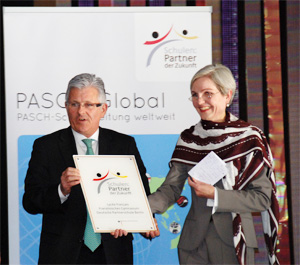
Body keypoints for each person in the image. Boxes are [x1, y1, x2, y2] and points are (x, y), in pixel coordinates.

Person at [148, 64, 279, 265]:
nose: (200, 101)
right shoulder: (188, 139)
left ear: (227, 95)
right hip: (193, 246)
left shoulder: (250, 138)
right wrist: (138, 210)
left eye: (207, 93)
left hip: (235, 242)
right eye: (194, 94)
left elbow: (262, 199)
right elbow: (170, 190)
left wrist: (215, 195)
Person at [23, 73, 159, 264]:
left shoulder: (123, 145)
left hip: (113, 252)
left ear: (103, 109)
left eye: (88, 105)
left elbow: (141, 194)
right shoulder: (46, 146)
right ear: (66, 107)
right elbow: (30, 201)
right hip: (62, 254)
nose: (81, 112)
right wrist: (61, 190)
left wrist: (142, 222)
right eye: (74, 104)